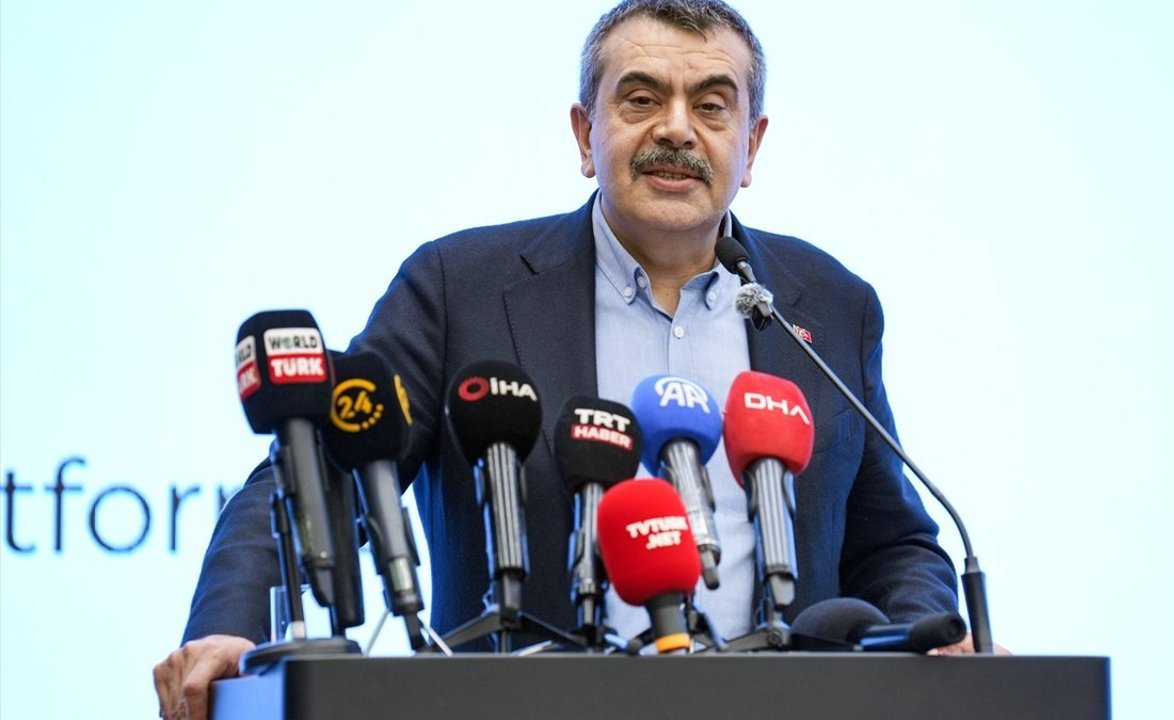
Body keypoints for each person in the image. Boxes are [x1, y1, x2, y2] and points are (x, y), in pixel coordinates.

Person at [153, 1, 968, 718]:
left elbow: (890, 542)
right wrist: (232, 627)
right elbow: (319, 472)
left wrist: (936, 645)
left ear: (750, 146)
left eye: (711, 106)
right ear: (586, 134)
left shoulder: (829, 305)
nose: (676, 129)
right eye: (641, 99)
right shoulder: (461, 288)